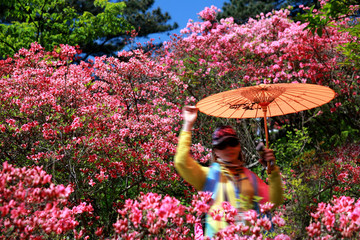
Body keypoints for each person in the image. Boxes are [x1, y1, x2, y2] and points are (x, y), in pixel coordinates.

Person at [174, 106, 283, 238]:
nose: (228, 148)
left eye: (232, 142)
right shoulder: (209, 176)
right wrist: (188, 124)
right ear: (216, 151)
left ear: (238, 146)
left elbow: (274, 200)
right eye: (221, 145)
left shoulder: (250, 177)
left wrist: (272, 170)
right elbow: (181, 162)